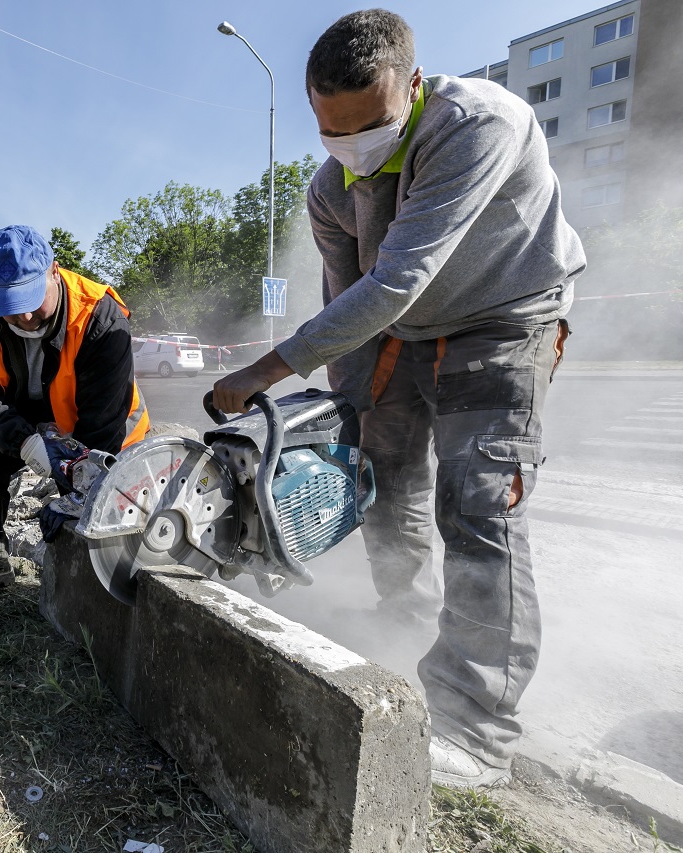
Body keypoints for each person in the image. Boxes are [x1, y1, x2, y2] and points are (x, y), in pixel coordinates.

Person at [212, 9, 584, 790]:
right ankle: (407, 621)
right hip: (404, 333)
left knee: (478, 503)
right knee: (384, 479)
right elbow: (348, 301)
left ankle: (475, 728)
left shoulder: (478, 123)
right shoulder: (328, 188)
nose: (351, 149)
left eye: (370, 127)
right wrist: (341, 422)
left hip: (504, 317)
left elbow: (396, 281)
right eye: (331, 132)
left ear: (413, 87)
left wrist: (265, 372)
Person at [0, 224, 151, 599]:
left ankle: (110, 580)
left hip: (102, 425)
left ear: (54, 271)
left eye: (30, 300)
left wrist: (75, 485)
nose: (24, 318)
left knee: (94, 501)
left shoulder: (100, 317)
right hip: (27, 414)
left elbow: (103, 421)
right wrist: (24, 441)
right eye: (10, 308)